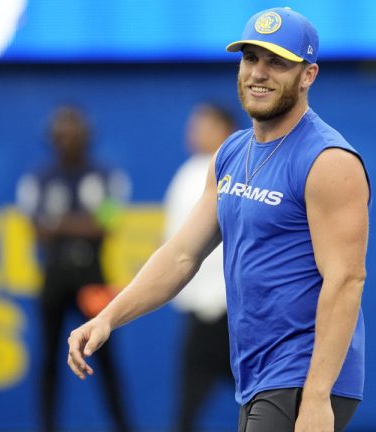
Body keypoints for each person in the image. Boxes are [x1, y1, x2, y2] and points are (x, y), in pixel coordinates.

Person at [67, 7, 370, 432]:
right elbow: (180, 255)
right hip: (256, 374)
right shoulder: (230, 153)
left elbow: (346, 280)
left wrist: (318, 397)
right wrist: (107, 318)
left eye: (277, 62)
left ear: (308, 75)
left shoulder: (328, 161)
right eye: (250, 58)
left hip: (302, 376)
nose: (259, 73)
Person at [16, 106, 132, 432]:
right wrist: (82, 223)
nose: (67, 142)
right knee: (50, 356)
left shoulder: (105, 177)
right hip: (53, 277)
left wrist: (60, 224)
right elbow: (37, 230)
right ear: (51, 139)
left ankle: (123, 425)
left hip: (92, 277)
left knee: (105, 354)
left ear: (87, 137)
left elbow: (107, 226)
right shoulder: (39, 178)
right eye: (61, 136)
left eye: (74, 135)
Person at [164, 103, 237, 432]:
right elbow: (176, 244)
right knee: (191, 398)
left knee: (264, 395)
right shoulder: (189, 172)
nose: (193, 131)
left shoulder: (237, 170)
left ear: (224, 128)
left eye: (203, 124)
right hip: (200, 307)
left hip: (233, 308)